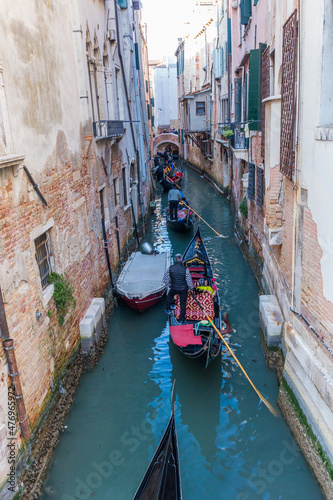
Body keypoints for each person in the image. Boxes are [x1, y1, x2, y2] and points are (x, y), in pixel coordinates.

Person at [164, 254, 194, 323]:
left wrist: (170, 286)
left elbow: (165, 280)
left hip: (174, 288)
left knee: (170, 295)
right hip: (183, 290)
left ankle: (168, 309)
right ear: (182, 260)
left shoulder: (170, 268)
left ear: (175, 260)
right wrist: (191, 288)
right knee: (183, 304)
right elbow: (189, 281)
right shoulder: (186, 269)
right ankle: (182, 319)